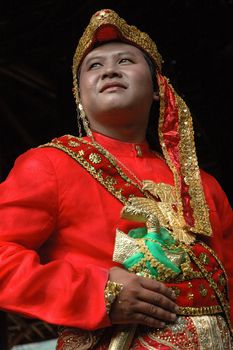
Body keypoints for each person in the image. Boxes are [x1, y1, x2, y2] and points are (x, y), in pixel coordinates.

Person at [0, 8, 232, 349]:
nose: (109, 69)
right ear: (80, 98)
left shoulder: (203, 184)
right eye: (94, 66)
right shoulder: (49, 165)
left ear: (157, 89)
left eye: (125, 61)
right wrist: (99, 293)